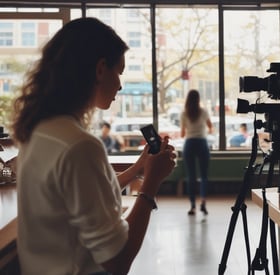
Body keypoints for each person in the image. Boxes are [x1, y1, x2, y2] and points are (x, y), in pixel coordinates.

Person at [10, 17, 176, 275]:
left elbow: (86, 196)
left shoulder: (38, 132)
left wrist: (139, 168)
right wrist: (151, 184)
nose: (120, 84)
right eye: (119, 71)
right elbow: (117, 261)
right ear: (100, 70)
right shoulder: (80, 146)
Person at [180, 89, 213, 215]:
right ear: (198, 99)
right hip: (201, 143)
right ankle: (203, 202)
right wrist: (205, 132)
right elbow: (210, 127)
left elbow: (183, 134)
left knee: (191, 177)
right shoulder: (204, 112)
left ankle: (192, 206)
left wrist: (189, 131)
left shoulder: (184, 113)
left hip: (189, 144)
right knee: (204, 176)